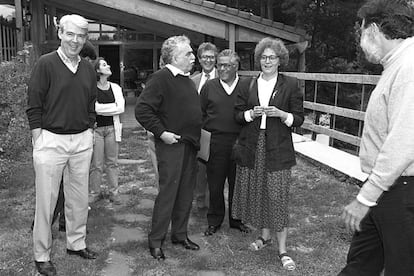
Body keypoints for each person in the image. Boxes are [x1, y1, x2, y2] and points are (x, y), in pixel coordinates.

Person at [339, 1, 414, 275]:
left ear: (372, 29)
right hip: (385, 188)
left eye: (361, 32)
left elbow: (404, 142)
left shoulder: (409, 68)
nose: (360, 42)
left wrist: (366, 197)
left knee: (402, 269)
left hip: (402, 190)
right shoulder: (396, 65)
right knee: (360, 265)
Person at [26, 14, 98, 276]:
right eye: (70, 34)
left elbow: (91, 103)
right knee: (47, 201)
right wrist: (38, 138)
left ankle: (76, 243)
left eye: (81, 36)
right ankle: (41, 254)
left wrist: (89, 128)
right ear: (60, 33)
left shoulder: (88, 68)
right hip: (51, 140)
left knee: (79, 198)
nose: (75, 40)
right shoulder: (46, 64)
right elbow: (34, 102)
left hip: (81, 140)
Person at [231, 37, 304, 271]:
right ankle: (264, 236)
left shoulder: (291, 84)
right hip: (254, 146)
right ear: (258, 59)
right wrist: (251, 114)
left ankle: (283, 250)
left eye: (272, 57)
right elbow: (237, 116)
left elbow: (299, 119)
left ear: (280, 60)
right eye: (264, 57)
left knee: (277, 196)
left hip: (278, 148)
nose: (267, 61)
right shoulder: (247, 84)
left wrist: (282, 114)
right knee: (260, 191)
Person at [135, 35, 202, 260]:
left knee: (185, 193)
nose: (193, 57)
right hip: (172, 146)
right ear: (174, 57)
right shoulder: (160, 78)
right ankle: (156, 241)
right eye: (188, 53)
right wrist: (162, 133)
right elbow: (143, 110)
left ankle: (180, 235)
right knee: (168, 194)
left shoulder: (186, 79)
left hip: (190, 146)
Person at [200, 49, 251, 236]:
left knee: (237, 184)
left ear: (236, 66)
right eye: (219, 65)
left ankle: (236, 220)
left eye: (226, 65)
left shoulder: (247, 87)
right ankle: (214, 220)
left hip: (240, 142)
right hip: (216, 142)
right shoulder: (209, 87)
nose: (222, 68)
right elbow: (201, 113)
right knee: (215, 184)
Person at [89, 57, 125, 204]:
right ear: (97, 70)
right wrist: (112, 108)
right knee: (96, 164)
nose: (108, 65)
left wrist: (102, 110)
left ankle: (114, 192)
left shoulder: (116, 88)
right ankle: (94, 193)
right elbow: (93, 108)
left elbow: (121, 108)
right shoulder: (91, 88)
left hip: (112, 129)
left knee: (112, 163)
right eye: (104, 65)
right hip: (96, 130)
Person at [191, 42, 219, 211]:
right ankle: (200, 200)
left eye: (211, 57)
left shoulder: (223, 77)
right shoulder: (192, 81)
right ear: (199, 60)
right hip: (199, 130)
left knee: (217, 168)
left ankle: (214, 201)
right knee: (200, 167)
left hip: (218, 129)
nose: (208, 60)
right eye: (204, 57)